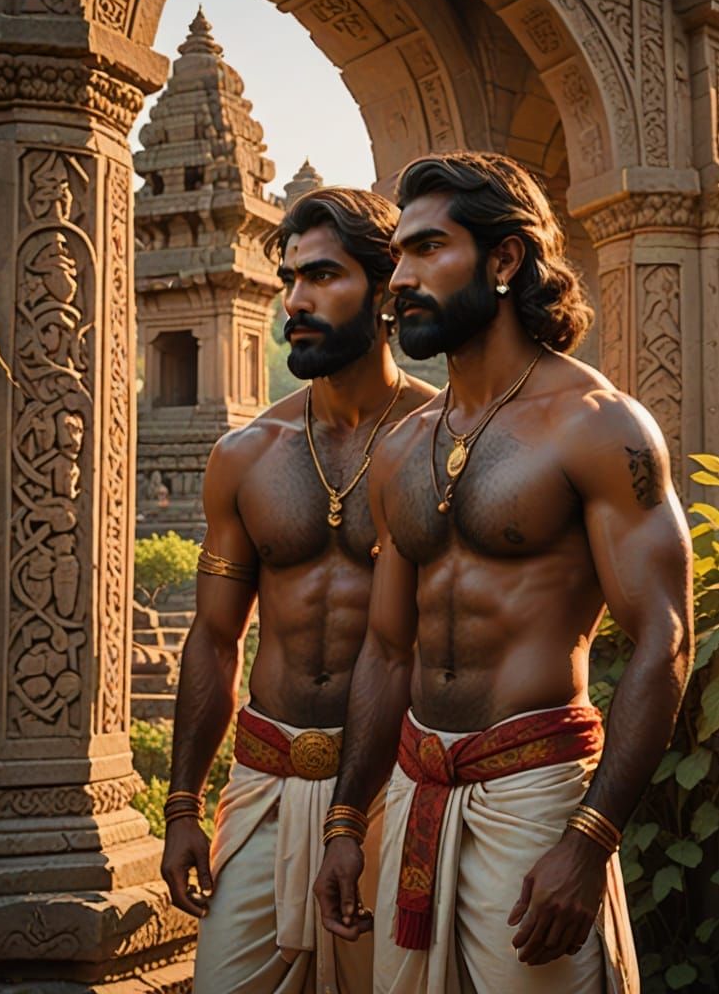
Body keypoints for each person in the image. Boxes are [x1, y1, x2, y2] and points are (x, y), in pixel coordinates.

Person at [313, 152, 693, 994]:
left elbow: (664, 639)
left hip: (535, 803)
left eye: (425, 251)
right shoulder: (403, 445)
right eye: (396, 257)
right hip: (415, 792)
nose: (397, 279)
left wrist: (588, 839)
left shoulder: (594, 426)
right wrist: (346, 818)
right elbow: (383, 652)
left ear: (503, 260)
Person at [160, 187, 437, 994]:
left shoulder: (440, 443)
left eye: (321, 276)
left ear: (388, 288)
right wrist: (181, 806)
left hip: (397, 787)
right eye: (288, 279)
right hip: (263, 782)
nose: (295, 300)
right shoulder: (247, 454)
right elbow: (214, 639)